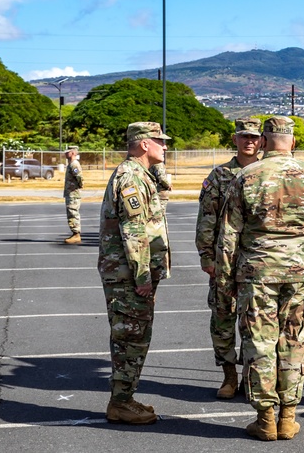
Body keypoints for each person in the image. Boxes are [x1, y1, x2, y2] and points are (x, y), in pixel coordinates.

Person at [216, 116, 304, 441]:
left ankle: (266, 418)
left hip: (258, 274)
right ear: (293, 143)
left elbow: (229, 235)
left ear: (266, 141)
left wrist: (226, 280)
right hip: (301, 274)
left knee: (260, 344)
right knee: (294, 343)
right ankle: (288, 417)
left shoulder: (246, 176)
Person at [98, 122, 172, 425]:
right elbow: (134, 231)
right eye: (160, 141)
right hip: (128, 275)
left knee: (136, 335)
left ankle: (125, 397)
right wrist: (142, 277)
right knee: (130, 337)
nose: (165, 147)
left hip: (129, 273)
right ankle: (120, 403)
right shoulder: (131, 178)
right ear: (144, 144)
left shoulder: (142, 175)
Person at [195, 116, 262, 399]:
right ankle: (229, 376)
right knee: (222, 319)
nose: (250, 141)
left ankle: (250, 375)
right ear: (234, 139)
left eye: (255, 137)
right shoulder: (219, 175)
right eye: (244, 136)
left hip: (257, 261)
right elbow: (206, 219)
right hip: (224, 260)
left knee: (255, 321)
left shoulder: (267, 173)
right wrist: (206, 256)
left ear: (263, 141)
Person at [62, 145, 83, 245]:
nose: (66, 153)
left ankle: (76, 234)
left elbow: (79, 177)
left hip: (73, 193)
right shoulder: (71, 164)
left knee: (73, 212)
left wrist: (78, 186)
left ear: (73, 153)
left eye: (68, 152)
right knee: (71, 212)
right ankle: (74, 233)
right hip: (70, 192)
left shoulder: (74, 164)